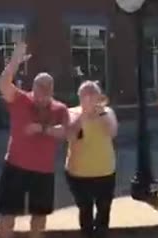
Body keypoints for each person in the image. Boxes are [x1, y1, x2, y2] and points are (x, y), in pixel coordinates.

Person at [0, 43, 69, 238]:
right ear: (33, 87)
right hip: (15, 166)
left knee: (39, 218)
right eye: (39, 88)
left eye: (47, 89)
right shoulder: (20, 99)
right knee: (7, 217)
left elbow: (64, 133)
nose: (42, 94)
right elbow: (3, 84)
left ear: (52, 90)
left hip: (43, 171)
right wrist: (13, 63)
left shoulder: (59, 109)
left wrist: (41, 128)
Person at [64, 81, 118, 238]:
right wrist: (84, 115)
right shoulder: (71, 113)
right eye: (84, 94)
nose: (88, 98)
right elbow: (70, 135)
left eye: (92, 94)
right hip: (78, 174)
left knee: (103, 212)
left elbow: (112, 132)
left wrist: (99, 113)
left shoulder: (107, 112)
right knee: (85, 211)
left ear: (99, 97)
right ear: (79, 97)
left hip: (105, 172)